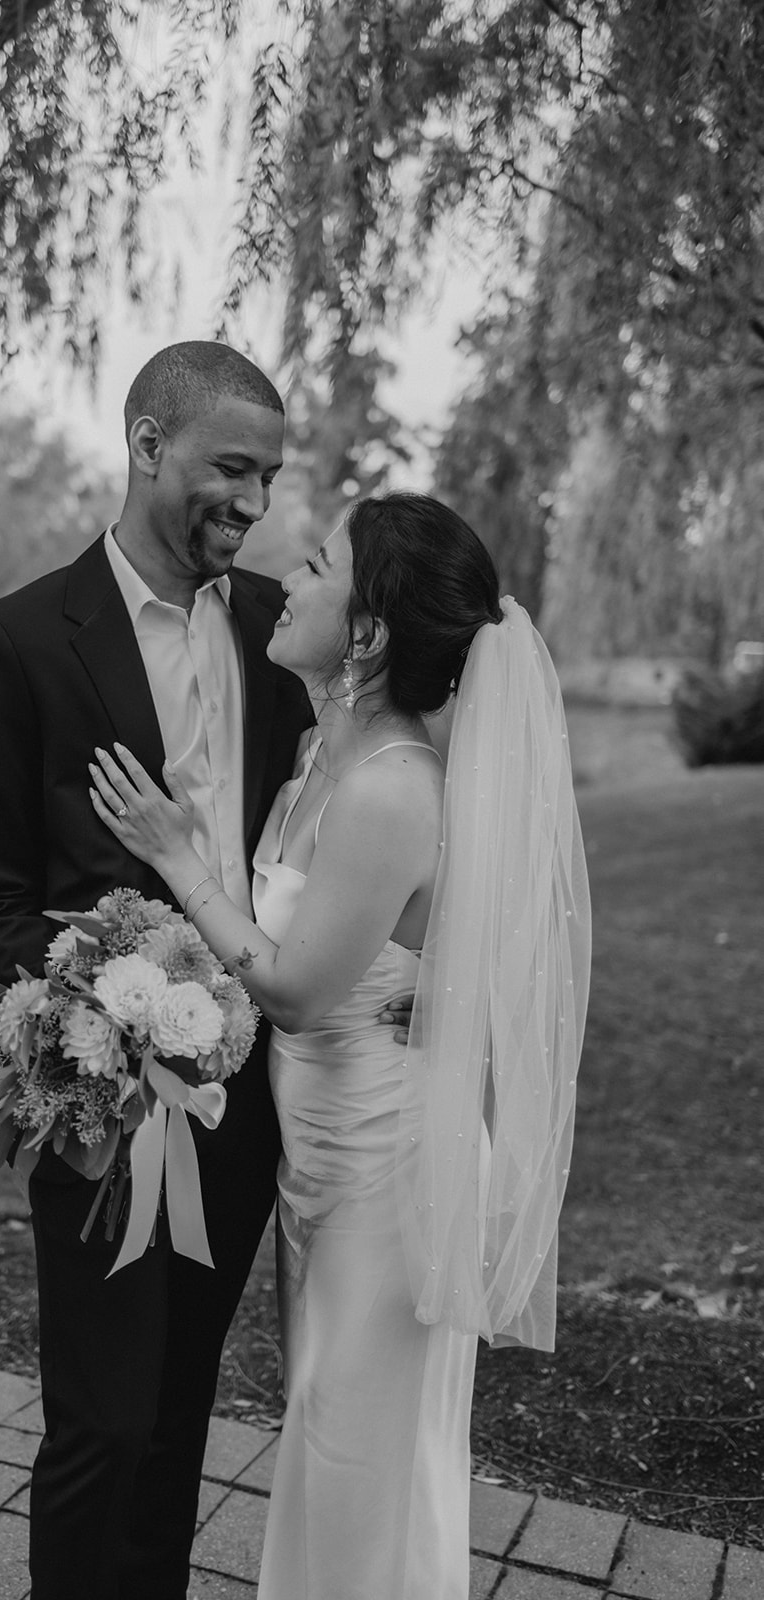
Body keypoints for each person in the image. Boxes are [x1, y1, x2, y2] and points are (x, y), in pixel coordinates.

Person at [0, 341, 414, 1598]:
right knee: (99, 1423)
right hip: (104, 1106)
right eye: (229, 468)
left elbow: (391, 763)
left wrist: (423, 949)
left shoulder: (281, 626)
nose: (254, 504)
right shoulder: (19, 643)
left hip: (254, 1097)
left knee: (174, 1415)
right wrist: (58, 1035)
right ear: (148, 445)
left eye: (268, 478)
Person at [91, 490, 592, 1600]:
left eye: (316, 564)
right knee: (328, 1437)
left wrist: (179, 861)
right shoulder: (322, 754)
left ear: (364, 632)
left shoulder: (390, 788)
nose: (288, 573)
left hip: (387, 1167)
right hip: (318, 1157)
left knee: (354, 1450)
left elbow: (302, 990)